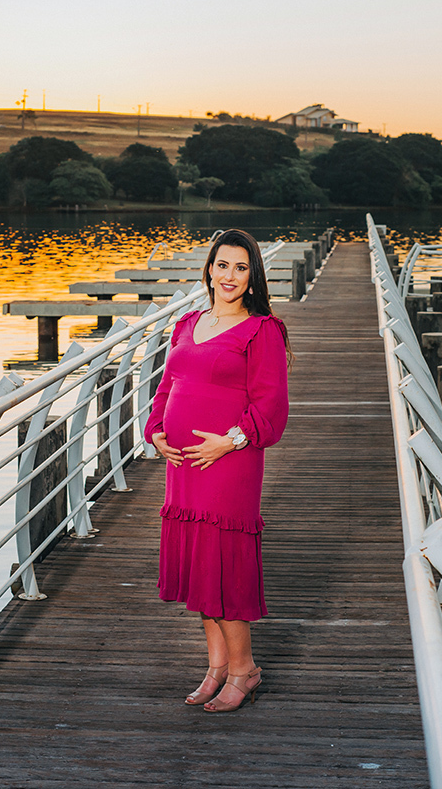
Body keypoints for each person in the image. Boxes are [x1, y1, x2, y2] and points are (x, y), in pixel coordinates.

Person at [142, 228, 290, 713]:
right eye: (222, 265)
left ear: (252, 278)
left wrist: (229, 442)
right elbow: (168, 383)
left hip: (230, 463)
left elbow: (271, 407)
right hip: (183, 465)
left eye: (241, 268)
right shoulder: (187, 323)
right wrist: (156, 429)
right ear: (209, 269)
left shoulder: (261, 330)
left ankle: (244, 669)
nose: (229, 276)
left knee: (224, 563)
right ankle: (217, 665)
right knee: (200, 567)